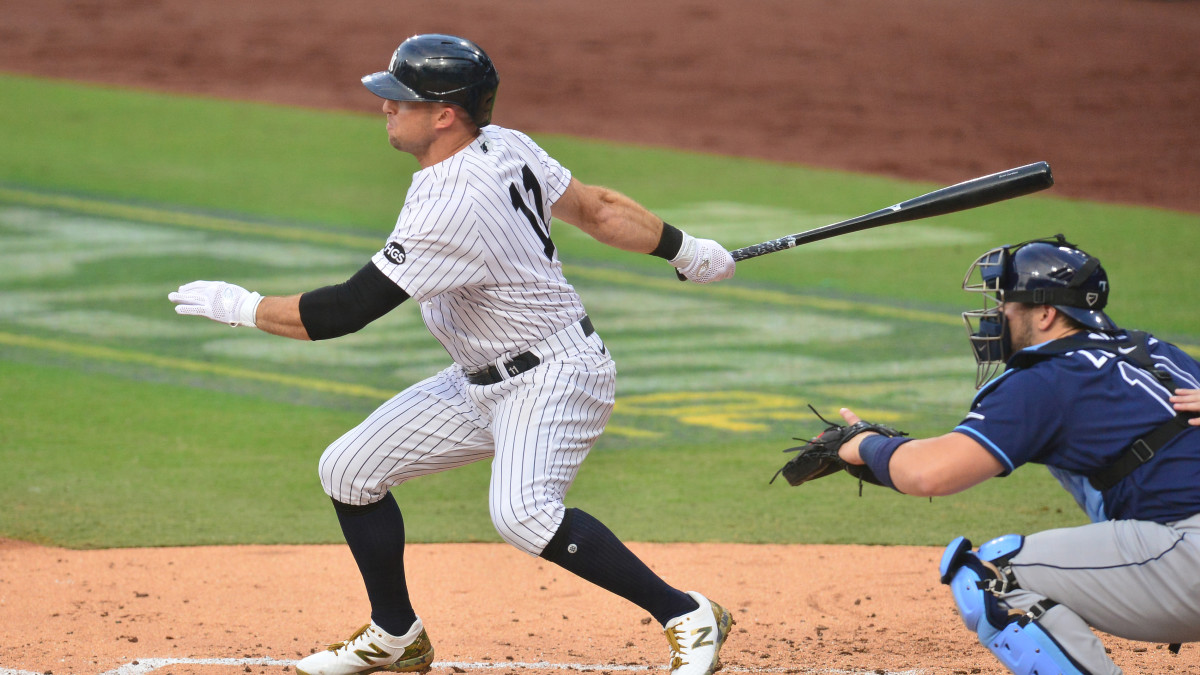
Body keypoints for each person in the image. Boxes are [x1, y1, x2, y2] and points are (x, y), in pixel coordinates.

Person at [168, 34, 735, 675]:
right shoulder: (505, 144)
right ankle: (396, 636)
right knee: (349, 470)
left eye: (399, 100)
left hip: (555, 376)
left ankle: (686, 612)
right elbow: (599, 210)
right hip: (480, 379)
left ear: (444, 114)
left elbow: (340, 313)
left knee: (522, 513)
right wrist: (687, 250)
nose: (385, 108)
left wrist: (240, 306)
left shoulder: (453, 202)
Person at [832, 235, 1199, 675]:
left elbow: (931, 474)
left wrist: (863, 443)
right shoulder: (1158, 353)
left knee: (994, 575)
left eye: (1008, 304)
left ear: (1046, 314)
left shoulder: (1047, 379)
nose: (998, 315)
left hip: (1188, 555)